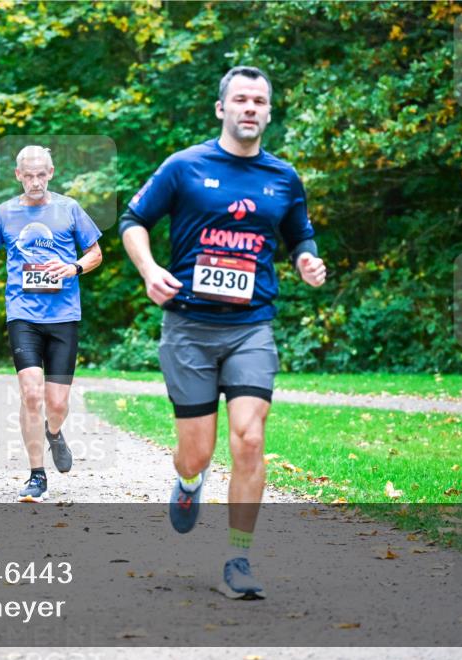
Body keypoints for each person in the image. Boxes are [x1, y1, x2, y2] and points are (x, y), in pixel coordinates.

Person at [119, 66, 327, 599]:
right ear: (221, 108)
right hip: (188, 328)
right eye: (241, 99)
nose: (250, 108)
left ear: (269, 111)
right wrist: (148, 270)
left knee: (251, 439)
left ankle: (238, 557)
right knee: (197, 452)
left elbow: (299, 232)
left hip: (251, 328)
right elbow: (133, 220)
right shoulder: (184, 167)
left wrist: (307, 259)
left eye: (260, 100)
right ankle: (189, 483)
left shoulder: (283, 177)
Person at [0, 146, 103, 502]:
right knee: (31, 393)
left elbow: (96, 253)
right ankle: (37, 474)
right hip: (22, 313)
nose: (36, 181)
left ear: (51, 172)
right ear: (18, 175)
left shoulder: (69, 209)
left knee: (56, 403)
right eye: (29, 175)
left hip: (64, 315)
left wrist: (74, 267)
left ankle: (54, 431)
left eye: (42, 174)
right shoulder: (3, 213)